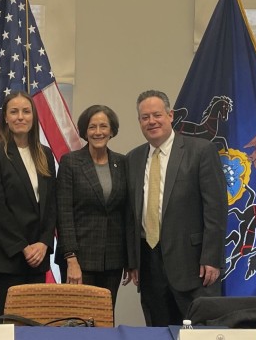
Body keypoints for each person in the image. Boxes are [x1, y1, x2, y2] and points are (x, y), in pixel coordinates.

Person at [126, 89, 227, 326]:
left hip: (194, 266)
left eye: (157, 115)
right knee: (158, 336)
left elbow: (216, 209)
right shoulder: (133, 158)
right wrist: (133, 261)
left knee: (202, 339)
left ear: (170, 115)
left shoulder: (201, 151)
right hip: (149, 265)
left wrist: (212, 257)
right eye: (145, 117)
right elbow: (130, 214)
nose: (151, 121)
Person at [0, 90, 57, 323]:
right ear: (5, 117)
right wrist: (23, 247)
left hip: (37, 258)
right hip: (4, 258)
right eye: (14, 112)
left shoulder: (45, 154)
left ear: (33, 117)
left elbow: (51, 204)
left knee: (31, 328)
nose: (20, 117)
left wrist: (43, 242)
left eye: (25, 111)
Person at [55, 104, 130, 311]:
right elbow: (64, 213)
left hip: (112, 260)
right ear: (84, 132)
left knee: (105, 317)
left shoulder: (122, 163)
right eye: (92, 127)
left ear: (112, 130)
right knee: (77, 320)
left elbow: (126, 214)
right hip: (80, 260)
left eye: (103, 126)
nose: (98, 132)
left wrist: (129, 260)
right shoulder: (71, 162)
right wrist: (71, 259)